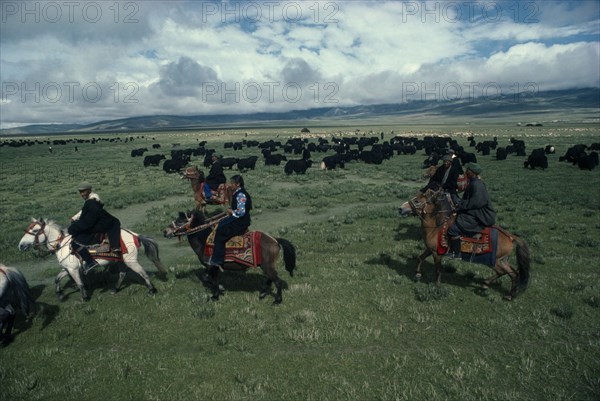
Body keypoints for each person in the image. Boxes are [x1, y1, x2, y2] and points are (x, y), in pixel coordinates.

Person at [68, 182, 122, 273]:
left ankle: (90, 262)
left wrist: (74, 228)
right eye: (80, 192)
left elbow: (88, 222)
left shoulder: (92, 202)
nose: (81, 194)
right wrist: (75, 218)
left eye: (83, 191)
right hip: (102, 221)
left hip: (100, 224)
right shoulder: (91, 200)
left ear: (89, 191)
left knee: (76, 242)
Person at [446, 163, 496, 258]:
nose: (465, 172)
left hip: (480, 215)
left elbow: (477, 202)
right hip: (475, 211)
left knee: (453, 229)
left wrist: (461, 205)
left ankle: (457, 253)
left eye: (468, 170)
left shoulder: (477, 185)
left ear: (472, 172)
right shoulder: (474, 182)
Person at [208, 175, 252, 269]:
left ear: (238, 184)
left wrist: (231, 211)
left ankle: (217, 260)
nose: (230, 185)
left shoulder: (240, 194)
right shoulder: (238, 192)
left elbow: (241, 212)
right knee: (220, 224)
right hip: (238, 219)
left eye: (232, 183)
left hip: (240, 221)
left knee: (220, 232)